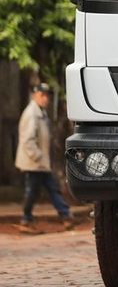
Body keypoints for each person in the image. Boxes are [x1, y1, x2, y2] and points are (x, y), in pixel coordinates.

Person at [15, 83, 74, 233]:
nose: (45, 99)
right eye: (42, 95)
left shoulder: (40, 112)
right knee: (32, 191)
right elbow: (28, 140)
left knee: (51, 188)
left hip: (41, 163)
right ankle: (26, 220)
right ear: (34, 95)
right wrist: (38, 157)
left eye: (47, 96)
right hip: (34, 163)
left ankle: (65, 215)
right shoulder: (32, 114)